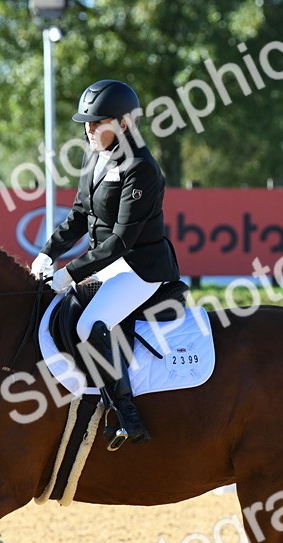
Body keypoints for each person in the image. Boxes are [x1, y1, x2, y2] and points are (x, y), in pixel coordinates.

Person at [30, 79, 180, 450]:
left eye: (98, 123)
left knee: (90, 324)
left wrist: (69, 273)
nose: (89, 129)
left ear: (124, 123)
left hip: (140, 268)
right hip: (108, 264)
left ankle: (127, 415)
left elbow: (120, 242)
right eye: (87, 123)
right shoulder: (94, 155)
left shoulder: (142, 168)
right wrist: (48, 253)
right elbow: (79, 216)